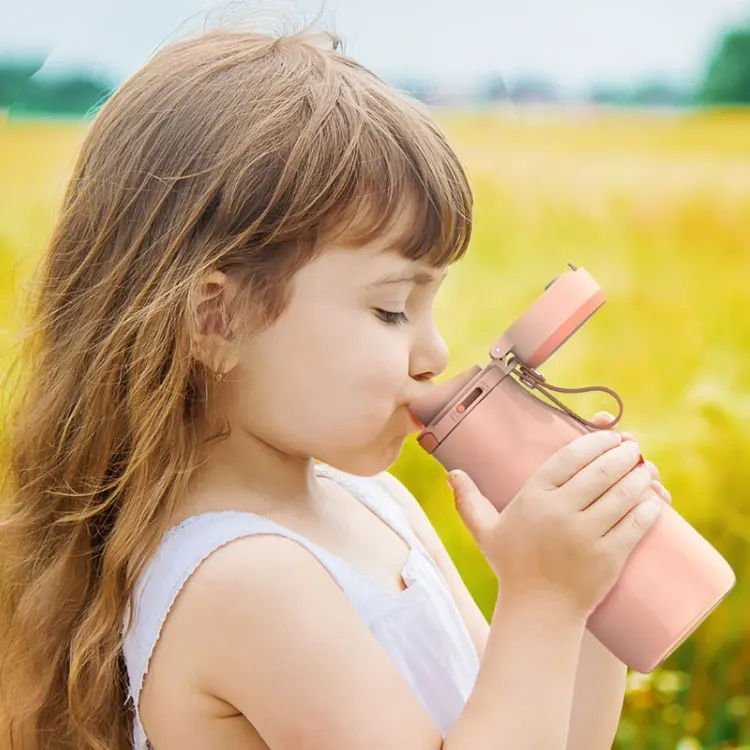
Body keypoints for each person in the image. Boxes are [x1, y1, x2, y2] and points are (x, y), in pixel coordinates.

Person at [0, 22, 672, 750]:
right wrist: (541, 600)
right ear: (216, 320)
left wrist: (592, 591)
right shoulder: (245, 582)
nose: (435, 352)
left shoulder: (376, 504)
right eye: (390, 309)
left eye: (430, 304)